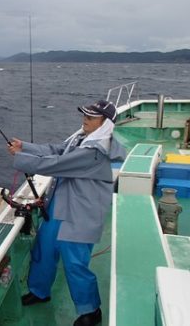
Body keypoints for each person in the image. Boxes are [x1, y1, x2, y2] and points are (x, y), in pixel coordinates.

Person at [8, 100, 126, 326]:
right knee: (44, 248)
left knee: (75, 263)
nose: (85, 120)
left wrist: (19, 158)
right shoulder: (81, 139)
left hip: (81, 213)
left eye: (91, 118)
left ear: (105, 124)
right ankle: (40, 291)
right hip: (61, 204)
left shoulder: (95, 152)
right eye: (85, 115)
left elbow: (56, 163)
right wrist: (25, 146)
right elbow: (56, 149)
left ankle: (91, 311)